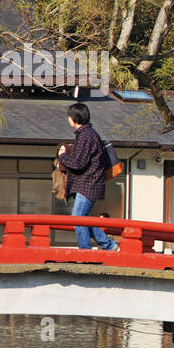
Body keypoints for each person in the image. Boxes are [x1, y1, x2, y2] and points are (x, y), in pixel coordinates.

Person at [56, 102, 117, 251]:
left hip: (88, 184)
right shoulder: (88, 134)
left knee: (78, 218)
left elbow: (78, 163)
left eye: (68, 116)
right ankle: (109, 245)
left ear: (74, 118)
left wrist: (62, 156)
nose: (67, 119)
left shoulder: (85, 136)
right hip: (89, 183)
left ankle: (86, 250)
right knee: (83, 218)